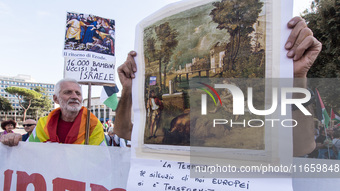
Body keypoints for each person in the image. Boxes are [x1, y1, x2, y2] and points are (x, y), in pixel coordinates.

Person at [114, 16, 322, 157]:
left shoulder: (236, 122)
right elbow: (123, 131)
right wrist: (128, 89)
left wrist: (296, 79)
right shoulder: (181, 125)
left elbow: (302, 146)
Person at [1, 78, 106, 146]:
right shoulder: (43, 124)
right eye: (68, 92)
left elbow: (100, 160)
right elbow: (31, 152)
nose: (74, 96)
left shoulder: (93, 124)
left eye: (78, 93)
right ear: (56, 99)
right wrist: (16, 141)